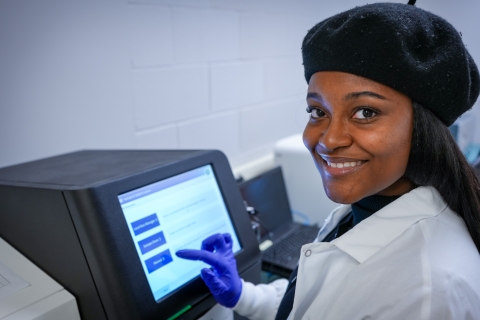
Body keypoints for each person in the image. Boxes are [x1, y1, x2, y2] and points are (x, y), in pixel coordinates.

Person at [176, 1, 480, 319]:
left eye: (365, 112)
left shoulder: (427, 291)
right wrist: (242, 294)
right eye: (318, 112)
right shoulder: (367, 209)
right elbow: (321, 300)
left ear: (422, 127)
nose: (330, 140)